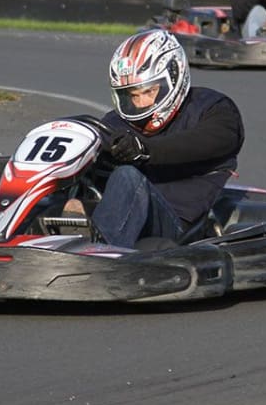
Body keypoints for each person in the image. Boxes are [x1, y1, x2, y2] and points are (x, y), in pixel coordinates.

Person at [85, 29, 245, 249]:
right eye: (132, 95)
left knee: (128, 177)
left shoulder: (212, 109)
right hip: (116, 217)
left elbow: (205, 142)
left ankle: (100, 254)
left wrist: (145, 150)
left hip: (174, 223)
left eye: (149, 92)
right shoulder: (115, 122)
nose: (140, 104)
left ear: (174, 77)